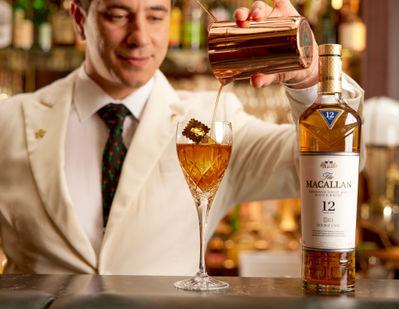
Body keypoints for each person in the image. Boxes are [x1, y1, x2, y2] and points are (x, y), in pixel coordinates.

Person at [0, 0, 363, 275]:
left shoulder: (213, 120)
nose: (140, 37)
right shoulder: (11, 121)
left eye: (156, 16)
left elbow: (329, 166)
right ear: (80, 19)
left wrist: (310, 79)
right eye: (118, 15)